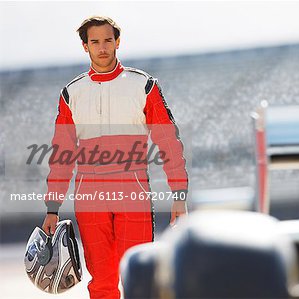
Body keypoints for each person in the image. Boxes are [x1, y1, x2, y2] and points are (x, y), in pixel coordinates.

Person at [41, 16, 189, 299]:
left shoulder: (143, 85)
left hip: (132, 192)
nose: (102, 48)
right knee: (102, 284)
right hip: (89, 197)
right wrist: (52, 207)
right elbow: (61, 154)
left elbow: (169, 142)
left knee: (141, 277)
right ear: (85, 46)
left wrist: (178, 194)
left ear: (117, 42)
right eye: (95, 42)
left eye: (108, 40)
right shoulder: (71, 93)